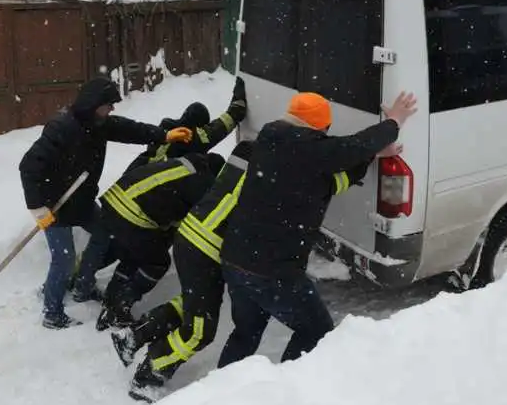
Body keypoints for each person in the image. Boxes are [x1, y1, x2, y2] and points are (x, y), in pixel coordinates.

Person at [110, 140, 375, 403]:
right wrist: (365, 155)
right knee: (200, 330)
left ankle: (134, 335)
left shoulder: (248, 150)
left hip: (194, 234)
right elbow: (325, 182)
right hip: (209, 245)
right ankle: (149, 374)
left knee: (195, 304)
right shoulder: (276, 173)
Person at [216, 91, 418, 366]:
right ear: (320, 128)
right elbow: (350, 148)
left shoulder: (269, 139)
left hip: (236, 260)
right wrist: (394, 121)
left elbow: (335, 168)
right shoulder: (312, 150)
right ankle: (286, 383)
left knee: (245, 333)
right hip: (274, 271)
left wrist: (370, 155)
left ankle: (222, 386)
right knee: (316, 330)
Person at [18, 76, 194, 330]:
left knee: (105, 233)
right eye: (108, 104)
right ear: (93, 103)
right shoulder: (62, 128)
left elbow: (130, 130)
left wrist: (164, 135)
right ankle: (52, 312)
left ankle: (83, 286)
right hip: (53, 205)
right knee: (64, 259)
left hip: (81, 201)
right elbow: (28, 166)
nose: (111, 109)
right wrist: (38, 209)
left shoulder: (98, 124)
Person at [72, 76, 248, 300]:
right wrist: (238, 102)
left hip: (127, 192)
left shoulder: (165, 132)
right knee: (147, 256)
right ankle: (117, 298)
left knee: (114, 245)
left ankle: (77, 278)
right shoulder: (191, 140)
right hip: (149, 205)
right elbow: (222, 125)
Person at [93, 152, 227, 332]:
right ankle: (120, 305)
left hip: (116, 200)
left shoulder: (184, 165)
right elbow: (188, 223)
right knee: (157, 263)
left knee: (135, 255)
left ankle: (111, 300)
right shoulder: (202, 184)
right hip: (132, 212)